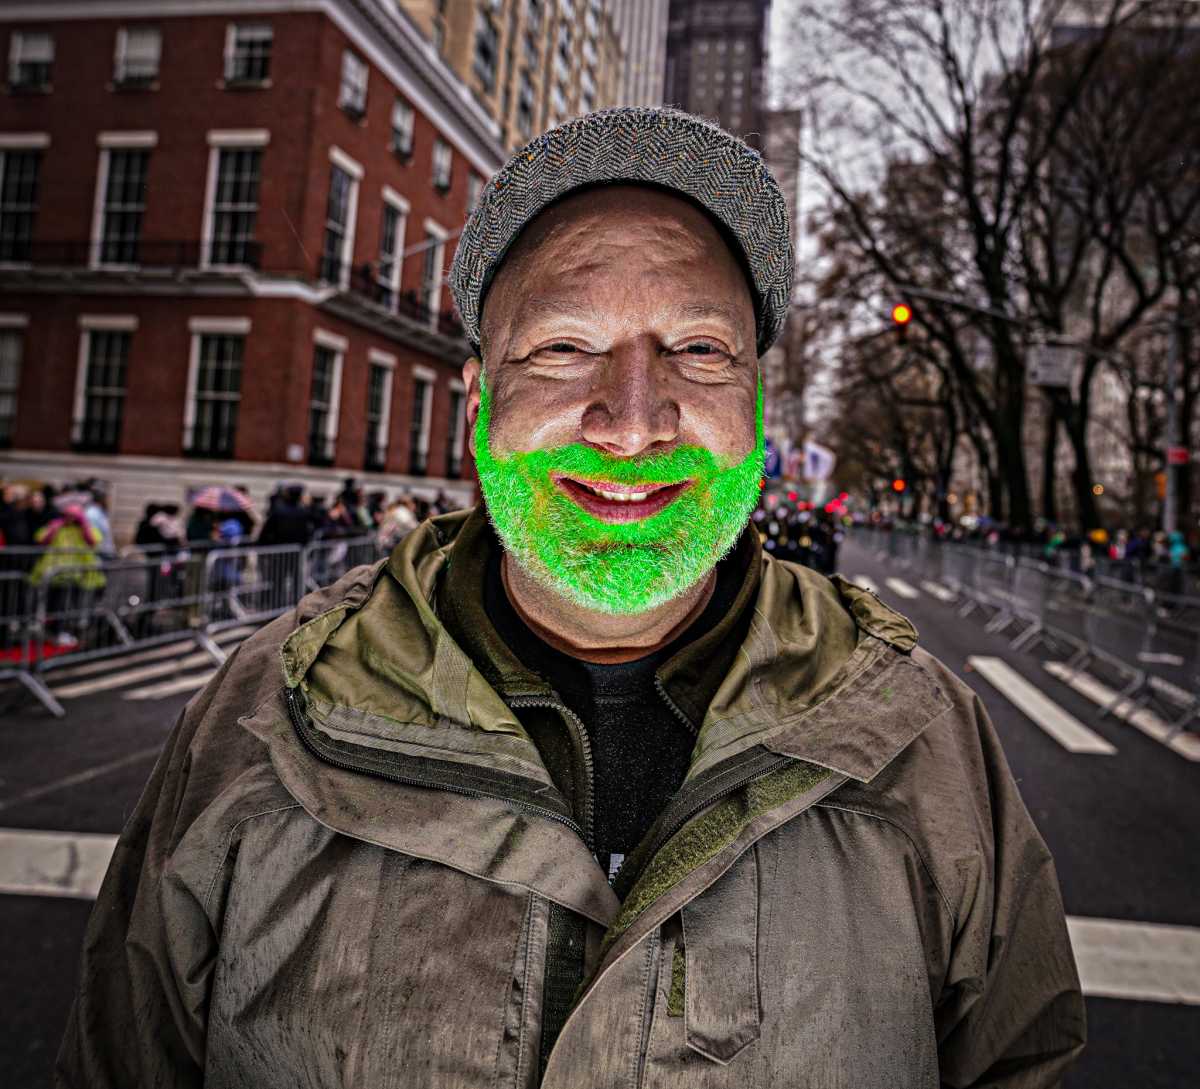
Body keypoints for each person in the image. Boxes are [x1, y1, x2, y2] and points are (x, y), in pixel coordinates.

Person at [57, 108, 1084, 1088]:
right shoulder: (258, 720)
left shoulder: (926, 737)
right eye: (563, 347)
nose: (633, 423)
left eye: (698, 349)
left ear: (757, 406)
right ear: (479, 404)